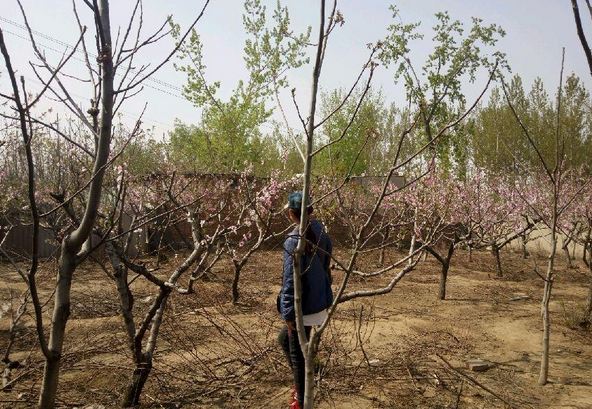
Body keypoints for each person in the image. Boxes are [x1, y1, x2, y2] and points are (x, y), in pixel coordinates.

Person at [277, 192, 333, 409]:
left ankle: (301, 399)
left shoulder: (293, 241)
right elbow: (326, 267)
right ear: (311, 211)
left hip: (302, 307)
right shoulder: (323, 234)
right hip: (318, 301)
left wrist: (288, 313)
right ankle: (303, 385)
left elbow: (290, 281)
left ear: (291, 214)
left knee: (297, 354)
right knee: (286, 341)